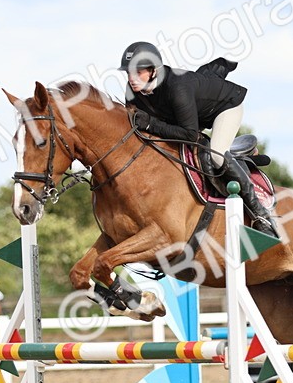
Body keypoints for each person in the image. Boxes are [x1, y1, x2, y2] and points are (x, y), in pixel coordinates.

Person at [119, 41, 277, 237]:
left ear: (154, 70)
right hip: (188, 114)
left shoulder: (177, 87)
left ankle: (260, 213)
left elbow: (190, 135)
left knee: (216, 155)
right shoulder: (132, 91)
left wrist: (151, 125)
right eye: (128, 73)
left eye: (138, 72)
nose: (132, 78)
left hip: (224, 108)